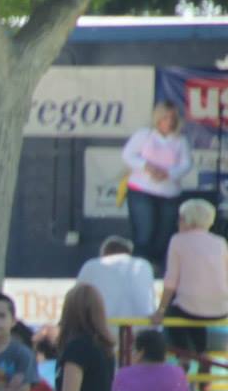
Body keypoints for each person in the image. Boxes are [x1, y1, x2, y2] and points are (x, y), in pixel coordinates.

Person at [154, 198, 228, 362]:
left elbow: (171, 281)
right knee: (194, 314)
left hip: (190, 308)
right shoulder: (220, 242)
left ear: (187, 219)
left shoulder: (178, 241)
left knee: (175, 314)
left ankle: (185, 356)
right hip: (221, 308)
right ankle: (202, 357)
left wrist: (160, 311)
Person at [123, 101, 195, 269]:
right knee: (144, 233)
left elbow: (186, 164)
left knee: (165, 235)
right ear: (158, 119)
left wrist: (168, 173)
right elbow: (128, 155)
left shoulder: (180, 140)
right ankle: (139, 269)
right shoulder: (145, 135)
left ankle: (159, 271)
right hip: (142, 190)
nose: (169, 122)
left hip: (169, 193)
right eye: (165, 118)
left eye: (172, 118)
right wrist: (147, 167)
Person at [76, 235, 158, 323]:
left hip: (101, 328)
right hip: (142, 328)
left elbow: (77, 300)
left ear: (104, 253)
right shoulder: (144, 265)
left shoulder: (91, 266)